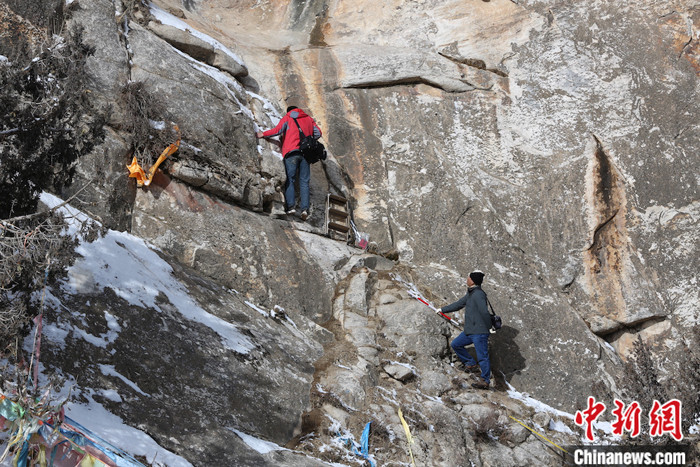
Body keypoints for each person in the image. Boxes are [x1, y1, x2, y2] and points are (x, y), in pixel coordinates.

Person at [256, 106, 322, 221]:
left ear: (289, 111)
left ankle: (291, 207)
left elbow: (278, 130)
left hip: (291, 152)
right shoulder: (308, 119)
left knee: (290, 179)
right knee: (304, 182)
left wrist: (263, 134)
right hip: (306, 154)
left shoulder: (288, 117)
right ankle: (305, 210)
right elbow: (318, 133)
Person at [437, 270, 492, 389]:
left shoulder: (478, 294)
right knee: (456, 344)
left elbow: (484, 312)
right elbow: (459, 304)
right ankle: (470, 363)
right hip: (470, 330)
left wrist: (489, 326)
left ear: (472, 281)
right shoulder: (471, 293)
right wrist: (443, 310)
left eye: (469, 277)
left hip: (479, 331)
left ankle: (485, 380)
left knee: (482, 356)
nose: (467, 279)